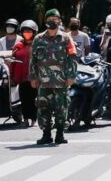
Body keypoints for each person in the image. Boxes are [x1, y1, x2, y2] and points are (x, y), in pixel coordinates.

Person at [29, 9, 77, 145]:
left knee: (62, 108)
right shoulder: (38, 39)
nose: (53, 21)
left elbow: (72, 58)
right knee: (43, 108)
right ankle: (46, 134)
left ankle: (60, 134)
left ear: (59, 21)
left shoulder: (66, 38)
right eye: (51, 19)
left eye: (56, 19)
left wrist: (71, 75)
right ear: (46, 21)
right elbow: (33, 59)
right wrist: (33, 77)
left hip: (61, 81)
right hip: (43, 81)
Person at [11, 20, 39, 127]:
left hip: (35, 77)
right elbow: (12, 61)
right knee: (24, 99)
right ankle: (26, 119)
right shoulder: (18, 46)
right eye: (25, 31)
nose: (27, 33)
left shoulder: (38, 44)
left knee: (34, 99)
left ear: (34, 32)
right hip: (22, 78)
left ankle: (34, 119)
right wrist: (12, 75)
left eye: (29, 31)